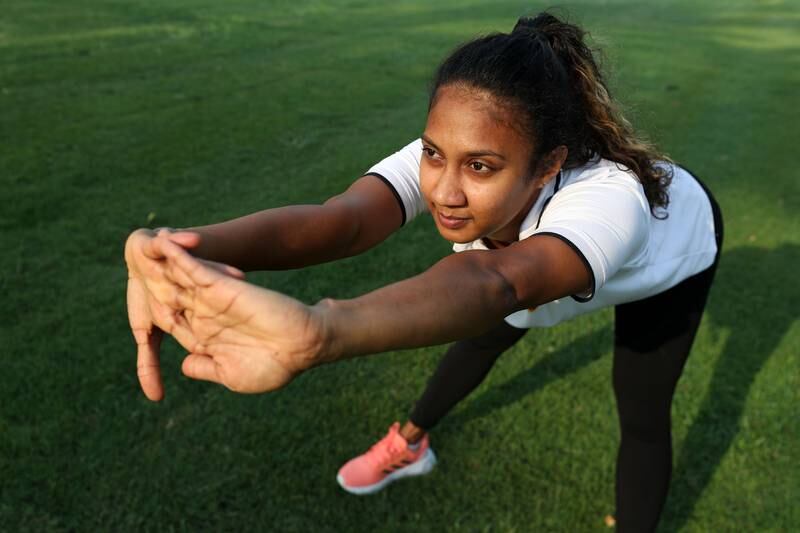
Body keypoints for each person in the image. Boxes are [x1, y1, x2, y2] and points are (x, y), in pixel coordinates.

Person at [125, 12, 722, 532]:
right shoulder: (456, 148)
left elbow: (502, 281)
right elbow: (345, 222)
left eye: (480, 168)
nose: (444, 190)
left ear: (547, 167)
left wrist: (322, 330)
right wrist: (181, 246)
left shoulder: (611, 197)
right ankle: (410, 443)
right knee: (482, 332)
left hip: (670, 260)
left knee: (641, 412)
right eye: (434, 154)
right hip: (522, 269)